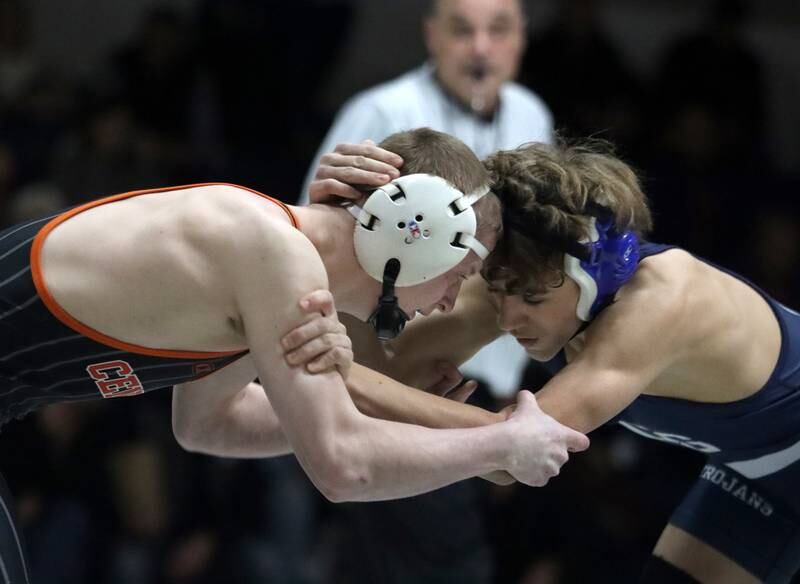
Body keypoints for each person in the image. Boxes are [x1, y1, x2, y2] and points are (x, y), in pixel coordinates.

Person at [0, 128, 588, 583]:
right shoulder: (271, 253)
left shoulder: (267, 276)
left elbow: (207, 425)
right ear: (418, 234)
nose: (447, 302)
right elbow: (343, 466)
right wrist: (499, 444)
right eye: (458, 274)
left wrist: (381, 416)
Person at [295, 138, 800, 583]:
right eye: (497, 293)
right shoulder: (528, 285)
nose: (509, 320)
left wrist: (347, 374)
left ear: (595, 273)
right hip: (753, 467)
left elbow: (513, 456)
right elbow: (387, 373)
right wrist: (344, 231)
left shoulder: (663, 302)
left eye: (530, 298)